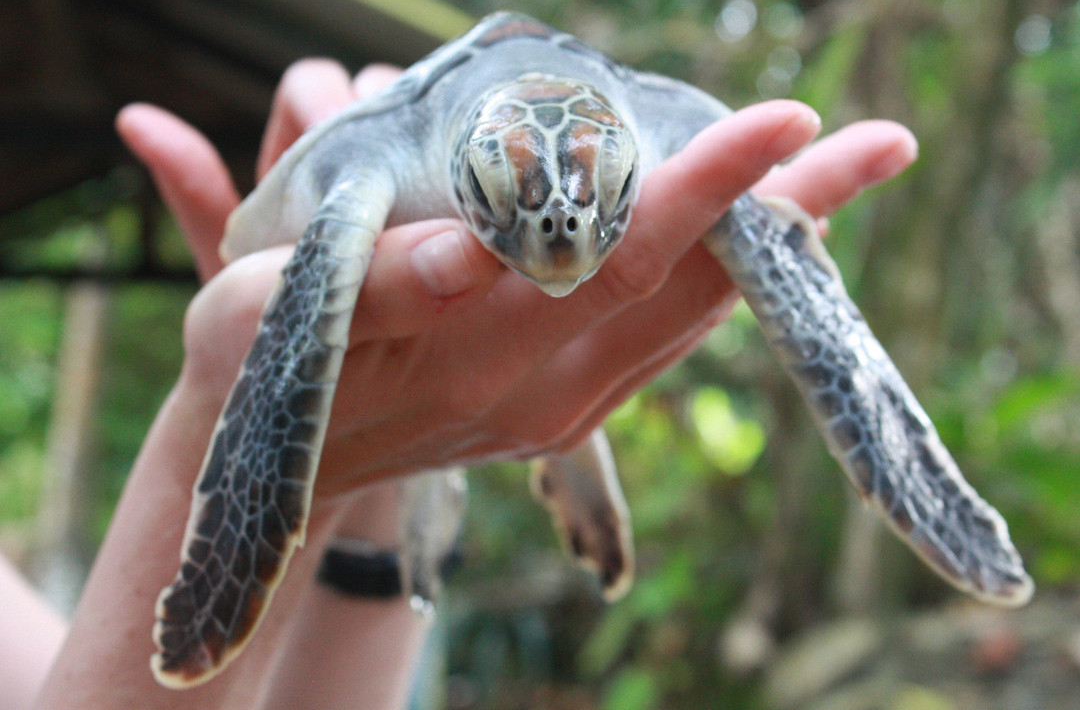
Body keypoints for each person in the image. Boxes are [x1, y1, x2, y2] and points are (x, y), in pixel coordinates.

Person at [11, 58, 917, 709]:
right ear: (464, 166)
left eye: (593, 210)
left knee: (764, 243)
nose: (561, 241)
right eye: (515, 201)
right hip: (399, 140)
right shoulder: (380, 158)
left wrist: (374, 466)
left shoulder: (658, 124)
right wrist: (239, 426)